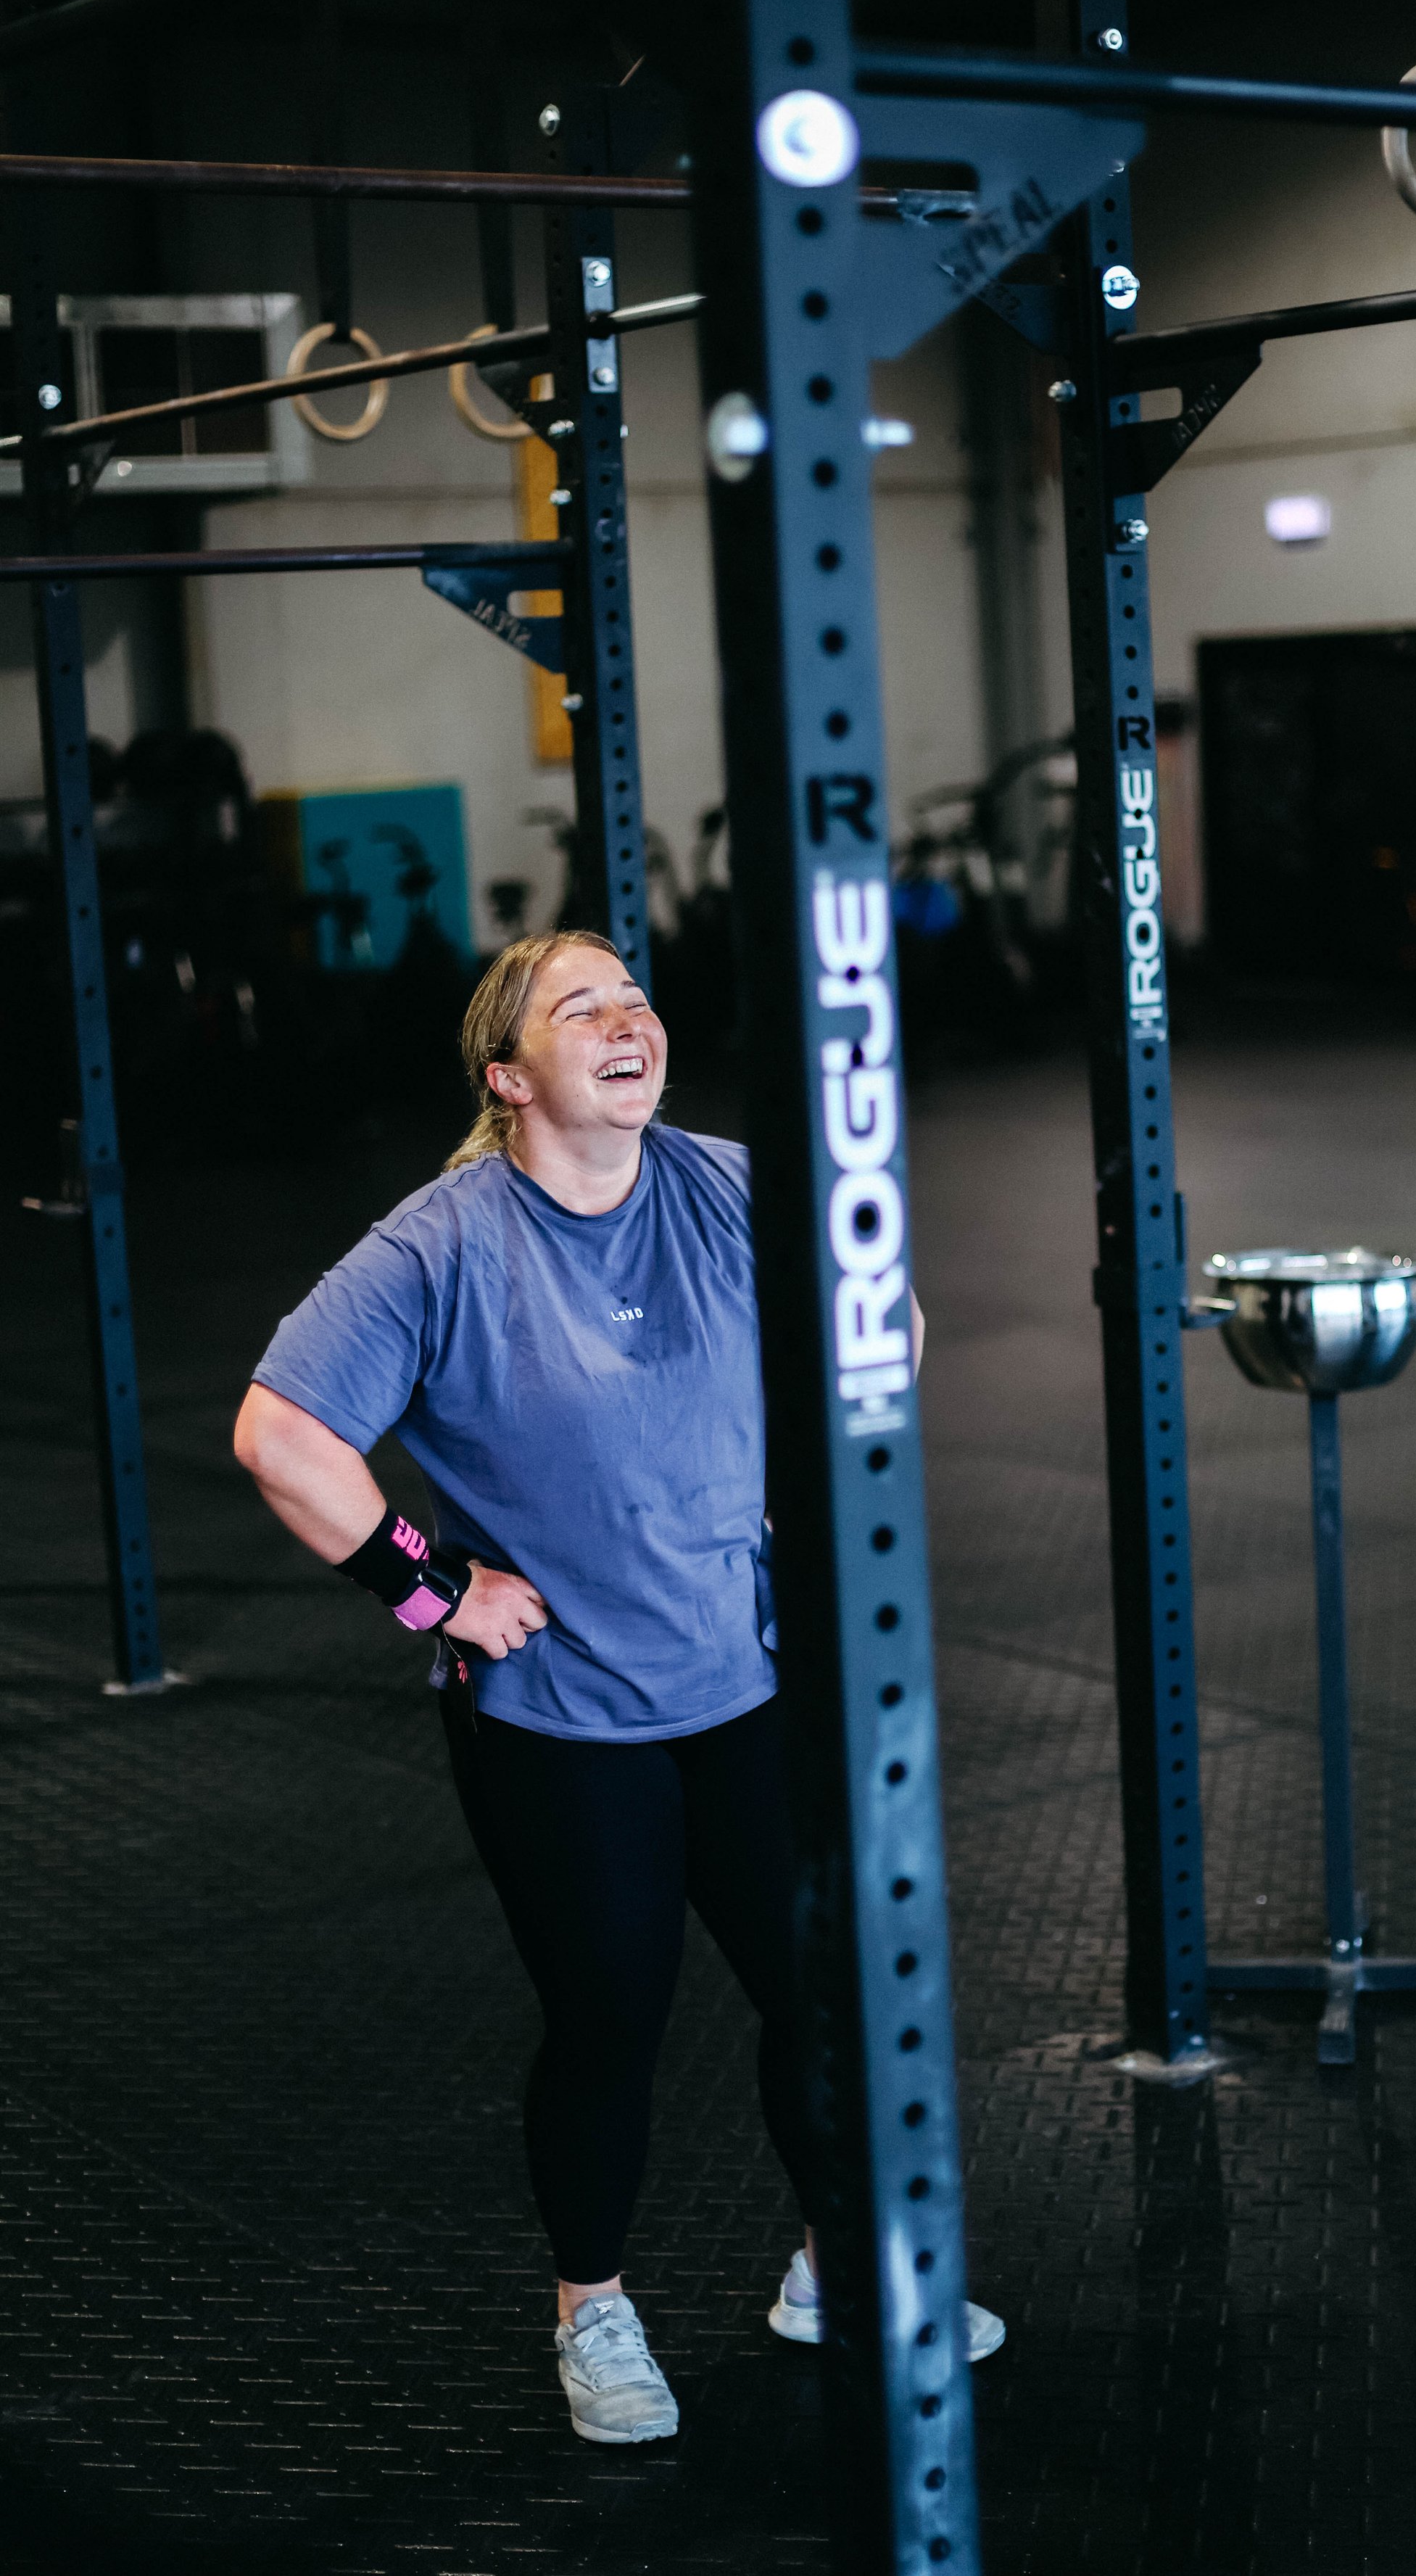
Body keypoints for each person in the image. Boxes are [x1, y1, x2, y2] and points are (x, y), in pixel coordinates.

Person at [233, 930, 1003, 2446]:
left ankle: (835, 2269)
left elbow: (885, 1317)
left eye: (635, 998)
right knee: (610, 2022)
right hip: (561, 1717)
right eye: (578, 1007)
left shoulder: (724, 1183)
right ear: (509, 1076)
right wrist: (431, 1587)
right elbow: (280, 1437)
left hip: (747, 1680)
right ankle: (592, 2309)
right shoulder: (441, 1245)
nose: (625, 1020)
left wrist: (819, 1470)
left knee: (817, 1995)